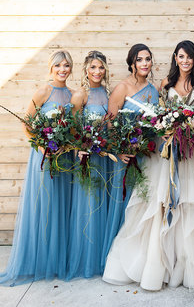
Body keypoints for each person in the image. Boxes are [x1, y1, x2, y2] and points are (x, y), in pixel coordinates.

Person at [104, 40, 194, 290]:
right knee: (162, 206)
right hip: (167, 156)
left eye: (190, 57)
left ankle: (189, 269)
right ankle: (161, 265)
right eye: (181, 56)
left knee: (192, 208)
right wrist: (165, 131)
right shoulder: (164, 84)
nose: (185, 61)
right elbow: (158, 118)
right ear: (175, 58)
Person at [0, 51, 74, 285]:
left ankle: (55, 262)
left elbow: (72, 129)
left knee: (61, 206)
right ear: (51, 68)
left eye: (66, 65)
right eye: (58, 65)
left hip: (64, 158)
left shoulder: (72, 95)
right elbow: (27, 123)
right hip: (43, 156)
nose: (63, 70)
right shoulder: (44, 91)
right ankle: (38, 262)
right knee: (44, 205)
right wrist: (41, 146)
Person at [102, 44, 159, 275]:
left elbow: (155, 123)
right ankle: (118, 261)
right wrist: (119, 150)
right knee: (125, 206)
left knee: (143, 207)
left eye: (147, 59)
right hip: (126, 158)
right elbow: (109, 123)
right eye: (140, 60)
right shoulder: (122, 88)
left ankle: (141, 259)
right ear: (132, 63)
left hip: (147, 156)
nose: (144, 63)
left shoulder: (153, 89)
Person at [66, 51, 110, 279]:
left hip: (105, 157)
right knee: (89, 203)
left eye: (101, 67)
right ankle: (86, 258)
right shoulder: (80, 94)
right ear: (85, 70)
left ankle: (103, 257)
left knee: (103, 202)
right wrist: (79, 146)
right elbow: (71, 128)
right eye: (93, 67)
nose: (97, 72)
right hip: (87, 158)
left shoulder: (107, 92)